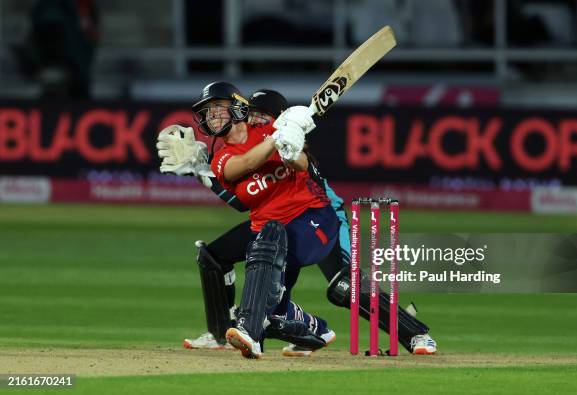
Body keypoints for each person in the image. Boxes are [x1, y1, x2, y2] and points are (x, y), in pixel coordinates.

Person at [156, 84, 437, 357]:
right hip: (272, 223)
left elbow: (303, 166)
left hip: (319, 216)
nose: (257, 119)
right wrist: (202, 170)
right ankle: (257, 331)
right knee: (222, 260)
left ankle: (414, 332)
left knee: (344, 286)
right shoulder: (235, 151)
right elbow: (242, 192)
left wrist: (289, 145)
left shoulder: (281, 134)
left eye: (263, 115)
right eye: (254, 112)